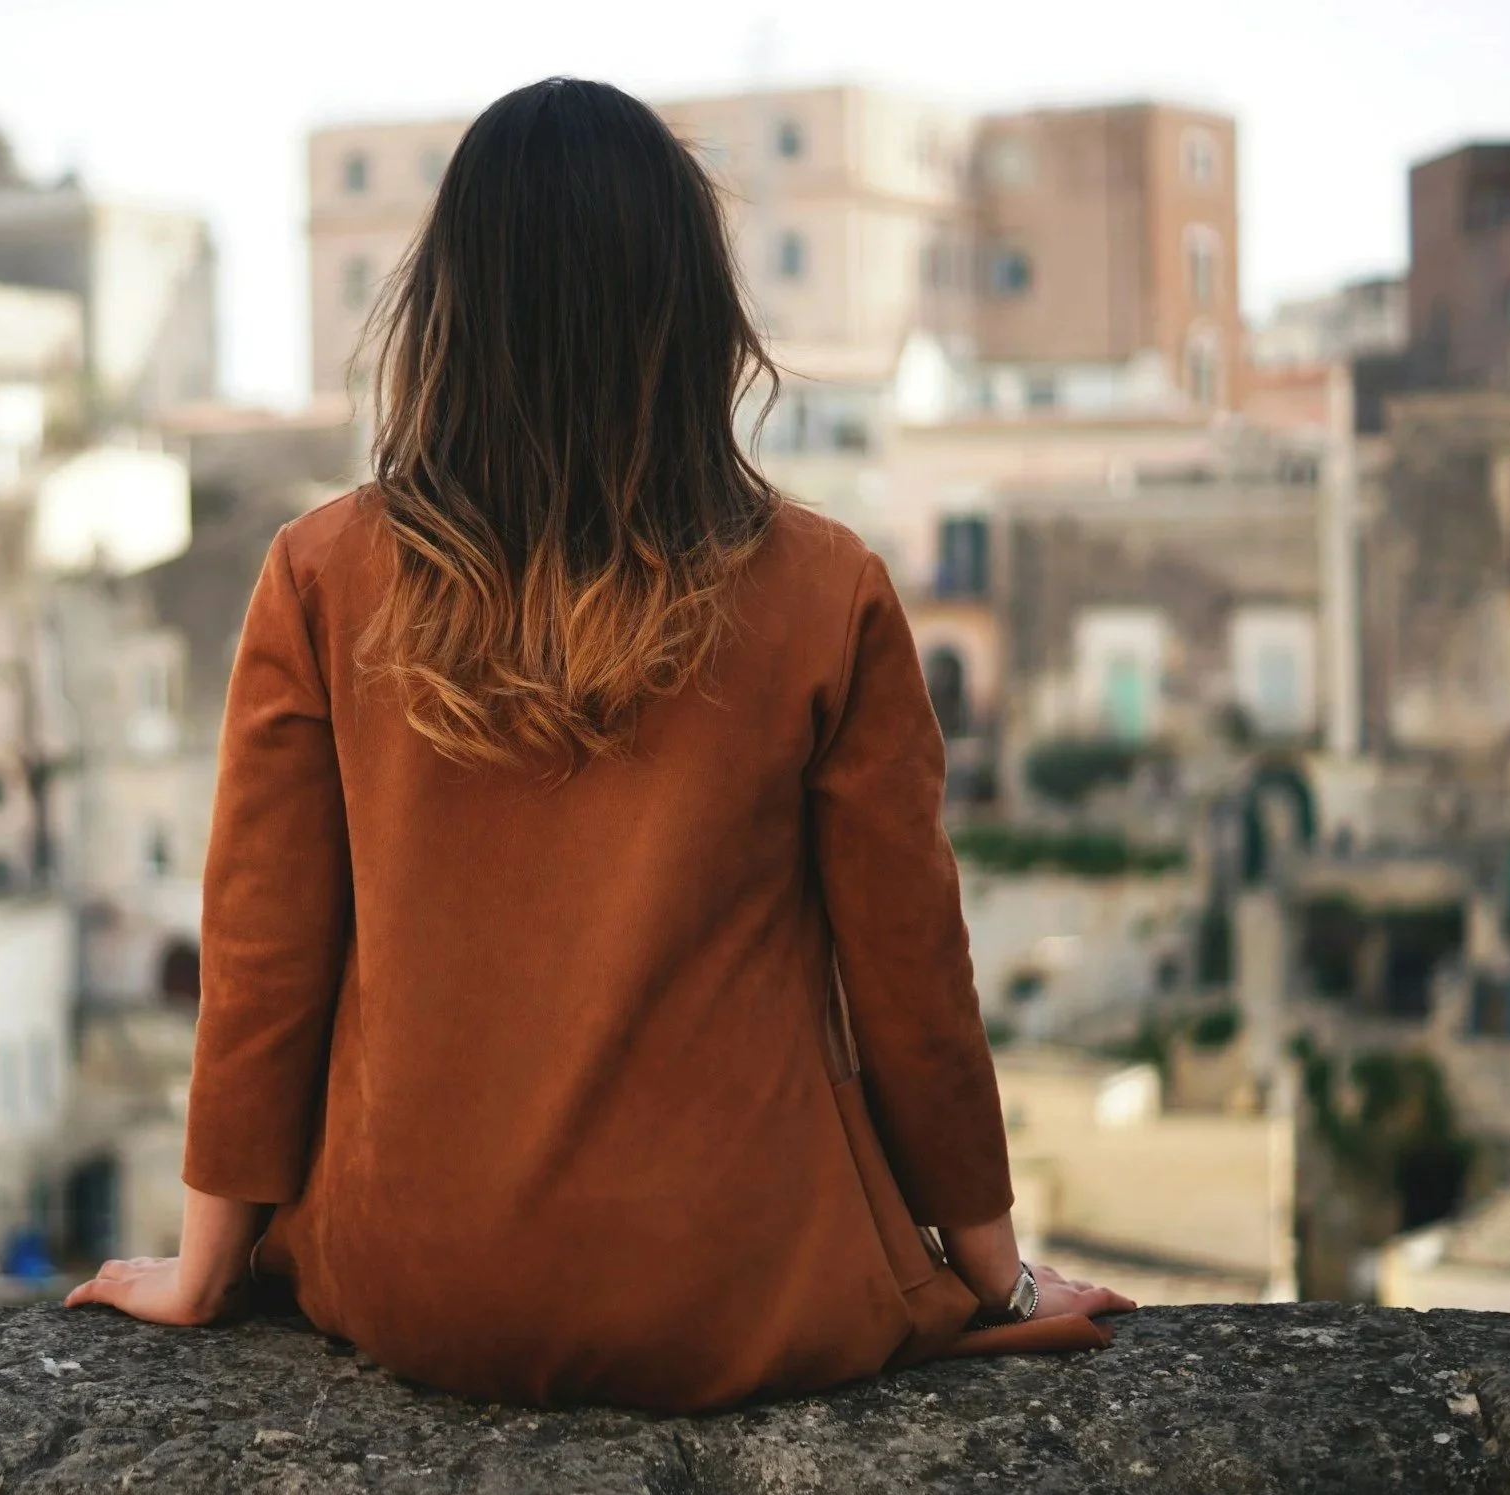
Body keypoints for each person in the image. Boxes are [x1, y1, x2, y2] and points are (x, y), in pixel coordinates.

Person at [67, 76, 1133, 1412]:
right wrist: (997, 1275)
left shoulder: (319, 573)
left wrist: (202, 1268)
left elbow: (265, 967)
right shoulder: (827, 586)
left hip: (420, 1282)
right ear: (691, 311)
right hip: (741, 1285)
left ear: (446, 307)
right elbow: (911, 970)